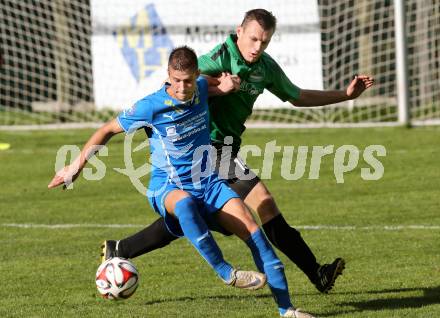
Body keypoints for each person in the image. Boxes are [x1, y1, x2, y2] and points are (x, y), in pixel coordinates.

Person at [102, 9, 374, 294]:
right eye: (254, 39)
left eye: (264, 42)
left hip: (228, 149)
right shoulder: (216, 59)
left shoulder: (265, 67)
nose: (257, 47)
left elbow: (298, 96)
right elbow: (175, 89)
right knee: (261, 202)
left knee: (192, 216)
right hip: (207, 151)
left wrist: (344, 95)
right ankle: (315, 273)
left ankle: (121, 248)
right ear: (239, 31)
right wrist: (219, 87)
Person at [48, 46, 316, 318]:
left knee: (257, 238)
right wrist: (75, 166)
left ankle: (287, 311)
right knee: (185, 205)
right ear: (168, 75)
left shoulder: (200, 86)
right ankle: (226, 272)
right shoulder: (150, 107)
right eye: (176, 80)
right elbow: (106, 130)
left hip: (209, 184)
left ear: (196, 75)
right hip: (168, 187)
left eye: (188, 80)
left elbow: (214, 84)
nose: (182, 87)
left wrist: (225, 86)